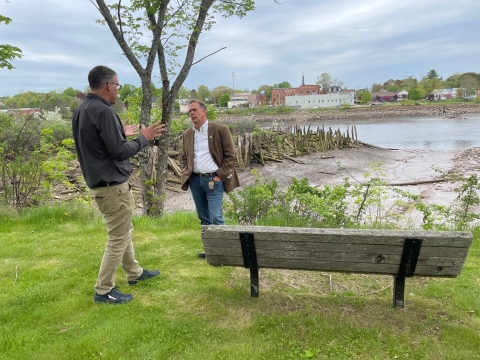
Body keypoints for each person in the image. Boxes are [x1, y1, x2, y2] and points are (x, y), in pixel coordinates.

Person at [72, 65, 166, 304]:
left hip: (99, 185)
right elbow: (120, 151)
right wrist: (144, 138)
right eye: (117, 86)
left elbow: (96, 143)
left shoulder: (82, 109)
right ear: (108, 86)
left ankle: (134, 273)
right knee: (118, 238)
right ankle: (103, 290)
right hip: (112, 186)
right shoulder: (103, 111)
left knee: (123, 232)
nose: (118, 92)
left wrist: (119, 131)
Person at [180, 99, 240, 258]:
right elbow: (184, 157)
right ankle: (210, 250)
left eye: (194, 110)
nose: (192, 113)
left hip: (214, 180)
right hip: (195, 181)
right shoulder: (187, 134)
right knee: (204, 217)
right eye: (189, 111)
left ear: (204, 111)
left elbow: (231, 156)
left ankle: (224, 251)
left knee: (215, 216)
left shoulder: (220, 130)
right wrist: (186, 172)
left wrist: (220, 175)